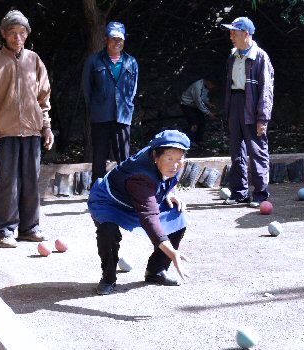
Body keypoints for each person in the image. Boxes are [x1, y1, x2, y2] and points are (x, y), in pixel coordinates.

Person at [0, 10, 54, 248]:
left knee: (31, 180)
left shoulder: (35, 60)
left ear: (27, 34)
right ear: (4, 34)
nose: (17, 37)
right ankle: (4, 230)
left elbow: (44, 98)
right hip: (6, 132)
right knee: (8, 182)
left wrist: (47, 127)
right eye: (12, 33)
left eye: (22, 32)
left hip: (32, 131)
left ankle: (29, 227)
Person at [88, 129, 190, 295]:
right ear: (156, 156)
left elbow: (164, 180)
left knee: (177, 217)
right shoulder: (141, 176)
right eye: (169, 158)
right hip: (109, 201)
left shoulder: (172, 164)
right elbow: (149, 218)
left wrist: (167, 193)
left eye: (179, 159)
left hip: (141, 199)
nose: (175, 164)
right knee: (108, 231)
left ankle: (156, 271)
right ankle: (108, 278)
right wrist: (172, 253)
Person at [221, 17, 274, 207]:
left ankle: (260, 193)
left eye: (234, 33)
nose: (231, 37)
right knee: (236, 150)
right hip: (235, 103)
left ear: (246, 34)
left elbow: (266, 91)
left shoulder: (260, 57)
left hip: (252, 104)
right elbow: (230, 86)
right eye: (231, 33)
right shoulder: (232, 56)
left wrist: (263, 118)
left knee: (257, 150)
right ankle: (239, 192)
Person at [82, 21, 139, 185]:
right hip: (101, 115)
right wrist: (94, 108)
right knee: (99, 156)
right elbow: (87, 88)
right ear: (106, 39)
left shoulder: (131, 62)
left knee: (124, 157)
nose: (117, 42)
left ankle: (126, 189)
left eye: (120, 39)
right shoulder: (94, 61)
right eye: (113, 39)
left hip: (122, 116)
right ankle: (98, 191)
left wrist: (126, 106)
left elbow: (133, 89)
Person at [180, 78, 217, 146]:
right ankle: (188, 141)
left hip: (194, 105)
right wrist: (209, 113)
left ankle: (198, 141)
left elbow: (203, 97)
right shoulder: (197, 86)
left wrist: (209, 103)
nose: (212, 87)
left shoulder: (205, 86)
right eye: (212, 85)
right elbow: (199, 102)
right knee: (194, 124)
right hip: (187, 104)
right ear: (209, 82)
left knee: (202, 122)